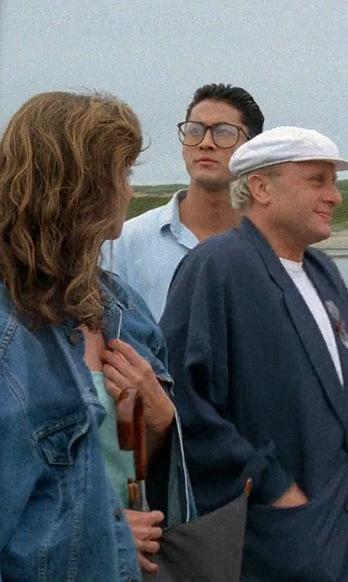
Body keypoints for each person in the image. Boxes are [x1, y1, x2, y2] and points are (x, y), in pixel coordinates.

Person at [160, 126, 348, 581]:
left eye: (334, 182)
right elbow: (181, 401)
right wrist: (270, 484)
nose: (335, 197)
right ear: (260, 187)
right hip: (271, 540)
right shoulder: (217, 268)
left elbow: (344, 397)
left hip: (347, 528)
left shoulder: (324, 274)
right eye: (317, 181)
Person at [0, 91, 187, 578]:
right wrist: (106, 531)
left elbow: (124, 462)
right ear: (77, 189)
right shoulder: (8, 332)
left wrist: (159, 421)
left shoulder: (121, 305)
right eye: (121, 174)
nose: (128, 191)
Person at [103, 83, 264, 320]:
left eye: (223, 132)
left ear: (252, 148)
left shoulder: (271, 244)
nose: (205, 142)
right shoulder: (124, 243)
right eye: (195, 130)